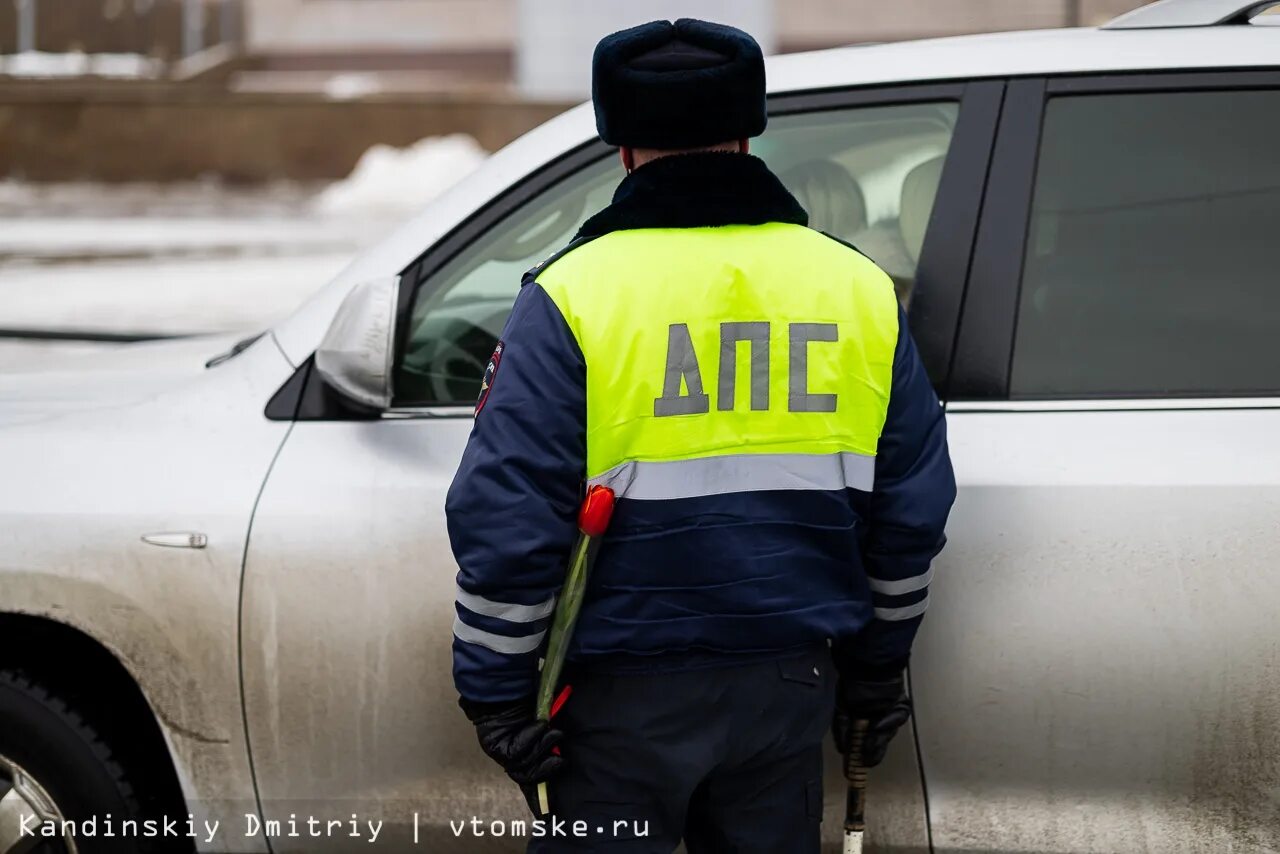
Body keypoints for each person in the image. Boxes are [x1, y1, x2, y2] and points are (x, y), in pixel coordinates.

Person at [445, 18, 955, 853]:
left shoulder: (574, 295)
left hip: (616, 705)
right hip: (789, 689)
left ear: (621, 148)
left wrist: (496, 695)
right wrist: (874, 672)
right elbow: (910, 514)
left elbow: (508, 519)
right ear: (747, 135)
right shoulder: (857, 289)